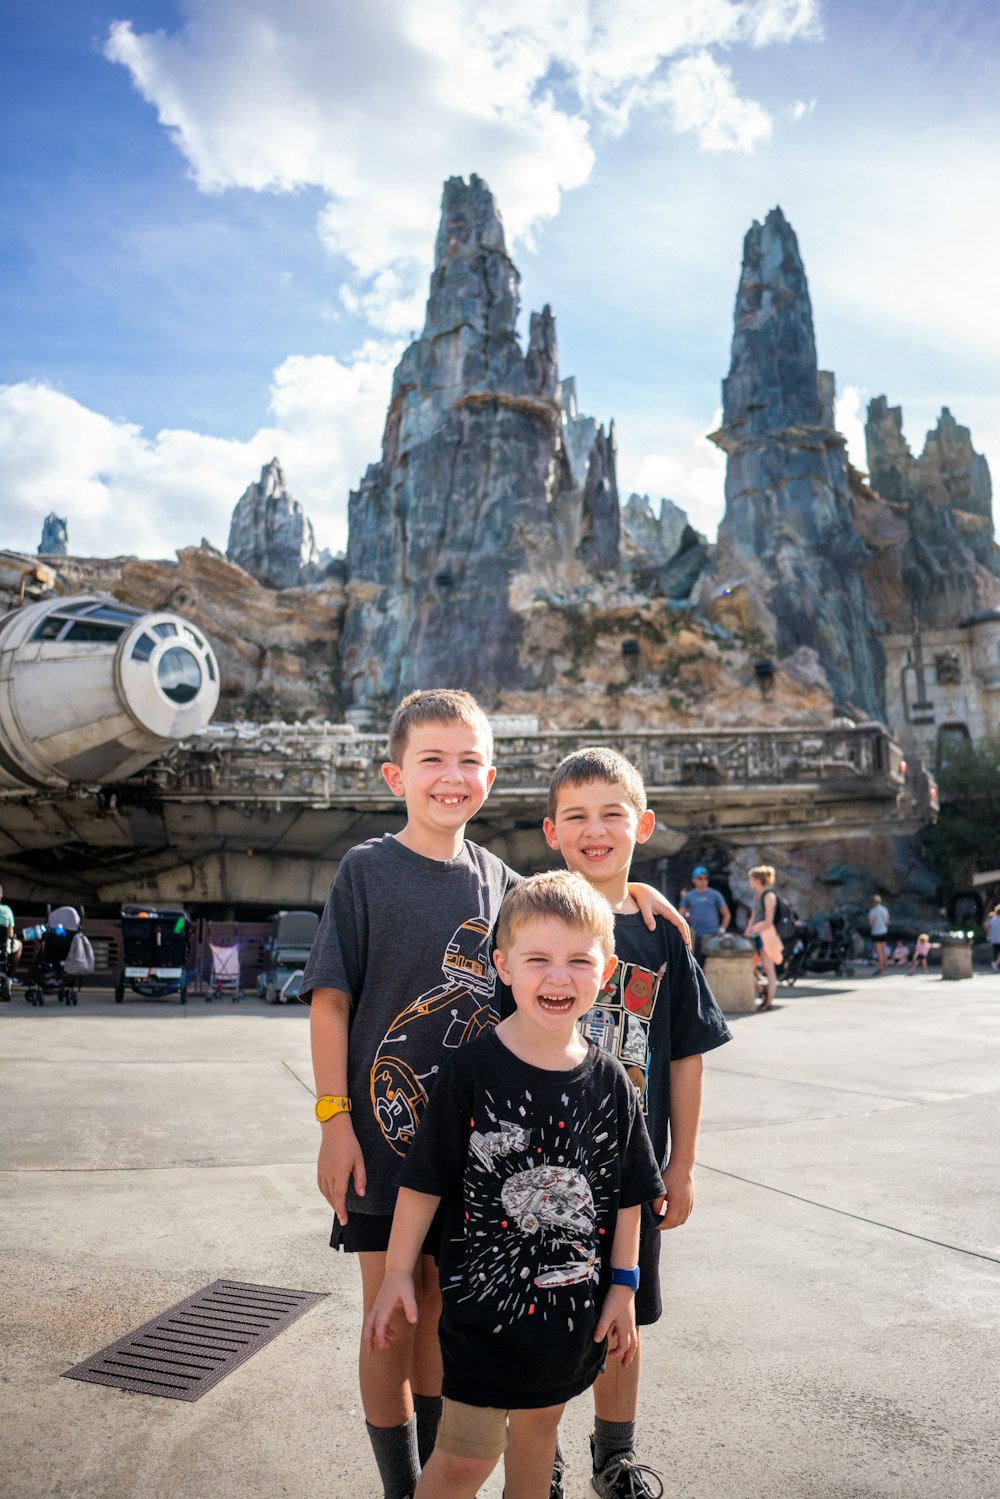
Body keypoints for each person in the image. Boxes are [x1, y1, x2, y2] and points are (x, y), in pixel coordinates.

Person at [301, 688, 690, 1499]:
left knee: (448, 1321)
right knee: (390, 1316)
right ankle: (401, 1483)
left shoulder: (506, 881)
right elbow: (330, 999)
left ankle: (451, 1472)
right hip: (380, 1141)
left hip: (482, 1158)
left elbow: (578, 910)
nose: (453, 776)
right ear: (395, 774)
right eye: (433, 759)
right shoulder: (367, 870)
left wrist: (637, 893)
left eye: (470, 760)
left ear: (491, 773)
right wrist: (333, 1118)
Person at [364, 872, 665, 1499]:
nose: (559, 978)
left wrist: (624, 1287)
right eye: (538, 960)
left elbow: (629, 1195)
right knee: (464, 1462)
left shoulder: (612, 1083)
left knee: (534, 1453)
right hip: (480, 1328)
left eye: (579, 961)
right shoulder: (470, 1071)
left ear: (606, 971)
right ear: (503, 966)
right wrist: (396, 1273)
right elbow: (422, 1183)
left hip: (568, 1325)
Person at [543, 747, 731, 1498]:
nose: (596, 830)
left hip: (631, 1174)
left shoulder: (662, 935)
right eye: (578, 816)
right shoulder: (532, 916)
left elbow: (686, 1056)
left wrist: (682, 1162)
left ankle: (613, 1457)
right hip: (545, 1173)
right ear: (552, 829)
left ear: (642, 825)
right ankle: (539, 1452)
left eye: (612, 814)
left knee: (625, 1316)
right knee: (548, 1318)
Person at [746, 865, 783, 1010]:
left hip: (766, 936)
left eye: (751, 879)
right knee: (748, 967)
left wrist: (754, 928)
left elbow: (768, 920)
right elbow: (754, 916)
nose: (749, 882)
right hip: (756, 935)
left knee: (769, 969)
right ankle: (762, 991)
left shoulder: (769, 896)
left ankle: (769, 1002)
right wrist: (749, 929)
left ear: (757, 879)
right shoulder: (757, 895)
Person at [678, 866, 730, 961]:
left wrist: (722, 929)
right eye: (700, 878)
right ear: (694, 880)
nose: (703, 881)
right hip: (696, 936)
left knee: (713, 962)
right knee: (696, 963)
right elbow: (679, 916)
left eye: (706, 878)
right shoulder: (689, 896)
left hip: (713, 936)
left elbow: (726, 914)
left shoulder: (715, 894)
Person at [0, 885, 23, 991]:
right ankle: (10, 975)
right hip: (3, 947)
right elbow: (10, 933)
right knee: (19, 945)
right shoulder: (6, 910)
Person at [868, 895, 890, 975]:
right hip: (884, 931)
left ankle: (881, 969)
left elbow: (870, 923)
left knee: (879, 952)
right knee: (884, 951)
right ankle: (885, 968)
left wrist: (875, 922)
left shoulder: (872, 911)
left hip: (876, 932)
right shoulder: (884, 909)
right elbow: (887, 922)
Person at [985, 907, 1000, 971]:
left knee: (996, 953)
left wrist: (988, 935)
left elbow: (987, 927)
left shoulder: (992, 920)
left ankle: (996, 964)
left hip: (994, 939)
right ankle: (995, 964)